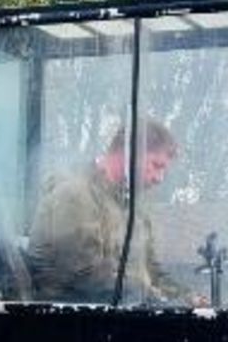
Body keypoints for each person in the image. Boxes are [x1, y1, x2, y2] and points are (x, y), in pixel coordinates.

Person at [28, 118, 185, 304]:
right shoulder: (75, 194)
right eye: (156, 166)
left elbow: (151, 271)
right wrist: (153, 298)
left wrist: (186, 297)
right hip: (77, 322)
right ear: (129, 153)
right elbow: (84, 274)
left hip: (127, 312)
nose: (160, 178)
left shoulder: (132, 208)